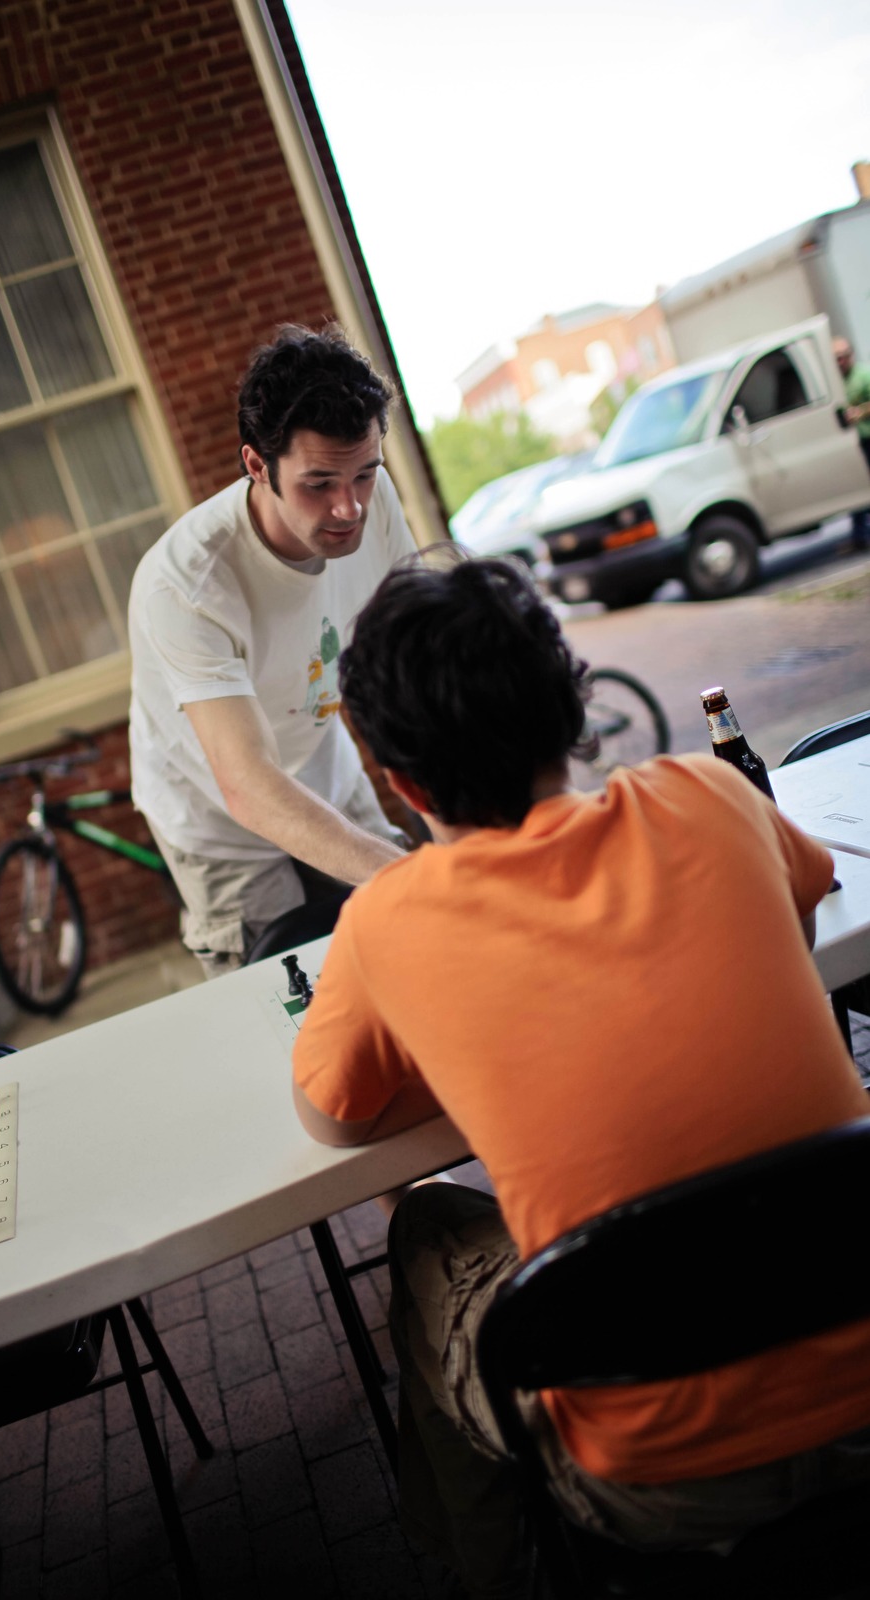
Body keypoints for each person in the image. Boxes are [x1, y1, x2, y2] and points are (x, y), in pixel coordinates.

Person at [291, 551, 870, 1599]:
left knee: (425, 1229)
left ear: (396, 778)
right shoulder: (706, 793)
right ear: (570, 709)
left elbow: (332, 1117)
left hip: (663, 1482)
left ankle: (491, 1578)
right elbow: (802, 895)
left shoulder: (383, 921)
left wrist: (472, 1043)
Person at [128, 324, 418, 977]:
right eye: (318, 483)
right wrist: (410, 874)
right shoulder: (184, 584)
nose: (348, 507)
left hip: (320, 762)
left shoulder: (371, 497)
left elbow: (415, 656)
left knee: (402, 954)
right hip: (217, 815)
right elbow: (247, 784)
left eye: (364, 474)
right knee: (282, 996)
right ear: (257, 464)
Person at [833, 335, 870, 551]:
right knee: (857, 488)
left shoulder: (863, 375)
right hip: (852, 443)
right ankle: (859, 536)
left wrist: (860, 412)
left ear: (851, 355)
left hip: (868, 436)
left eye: (843, 357)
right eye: (836, 358)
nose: (840, 362)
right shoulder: (836, 382)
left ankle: (859, 535)